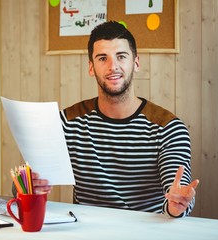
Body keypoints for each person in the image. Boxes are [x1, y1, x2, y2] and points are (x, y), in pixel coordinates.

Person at [31, 21, 199, 218]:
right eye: (103, 58)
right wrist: (29, 186)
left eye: (121, 56)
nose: (113, 66)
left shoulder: (168, 128)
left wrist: (176, 205)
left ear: (136, 63)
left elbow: (177, 191)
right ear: (91, 67)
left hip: (148, 232)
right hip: (85, 231)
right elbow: (25, 184)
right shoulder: (66, 123)